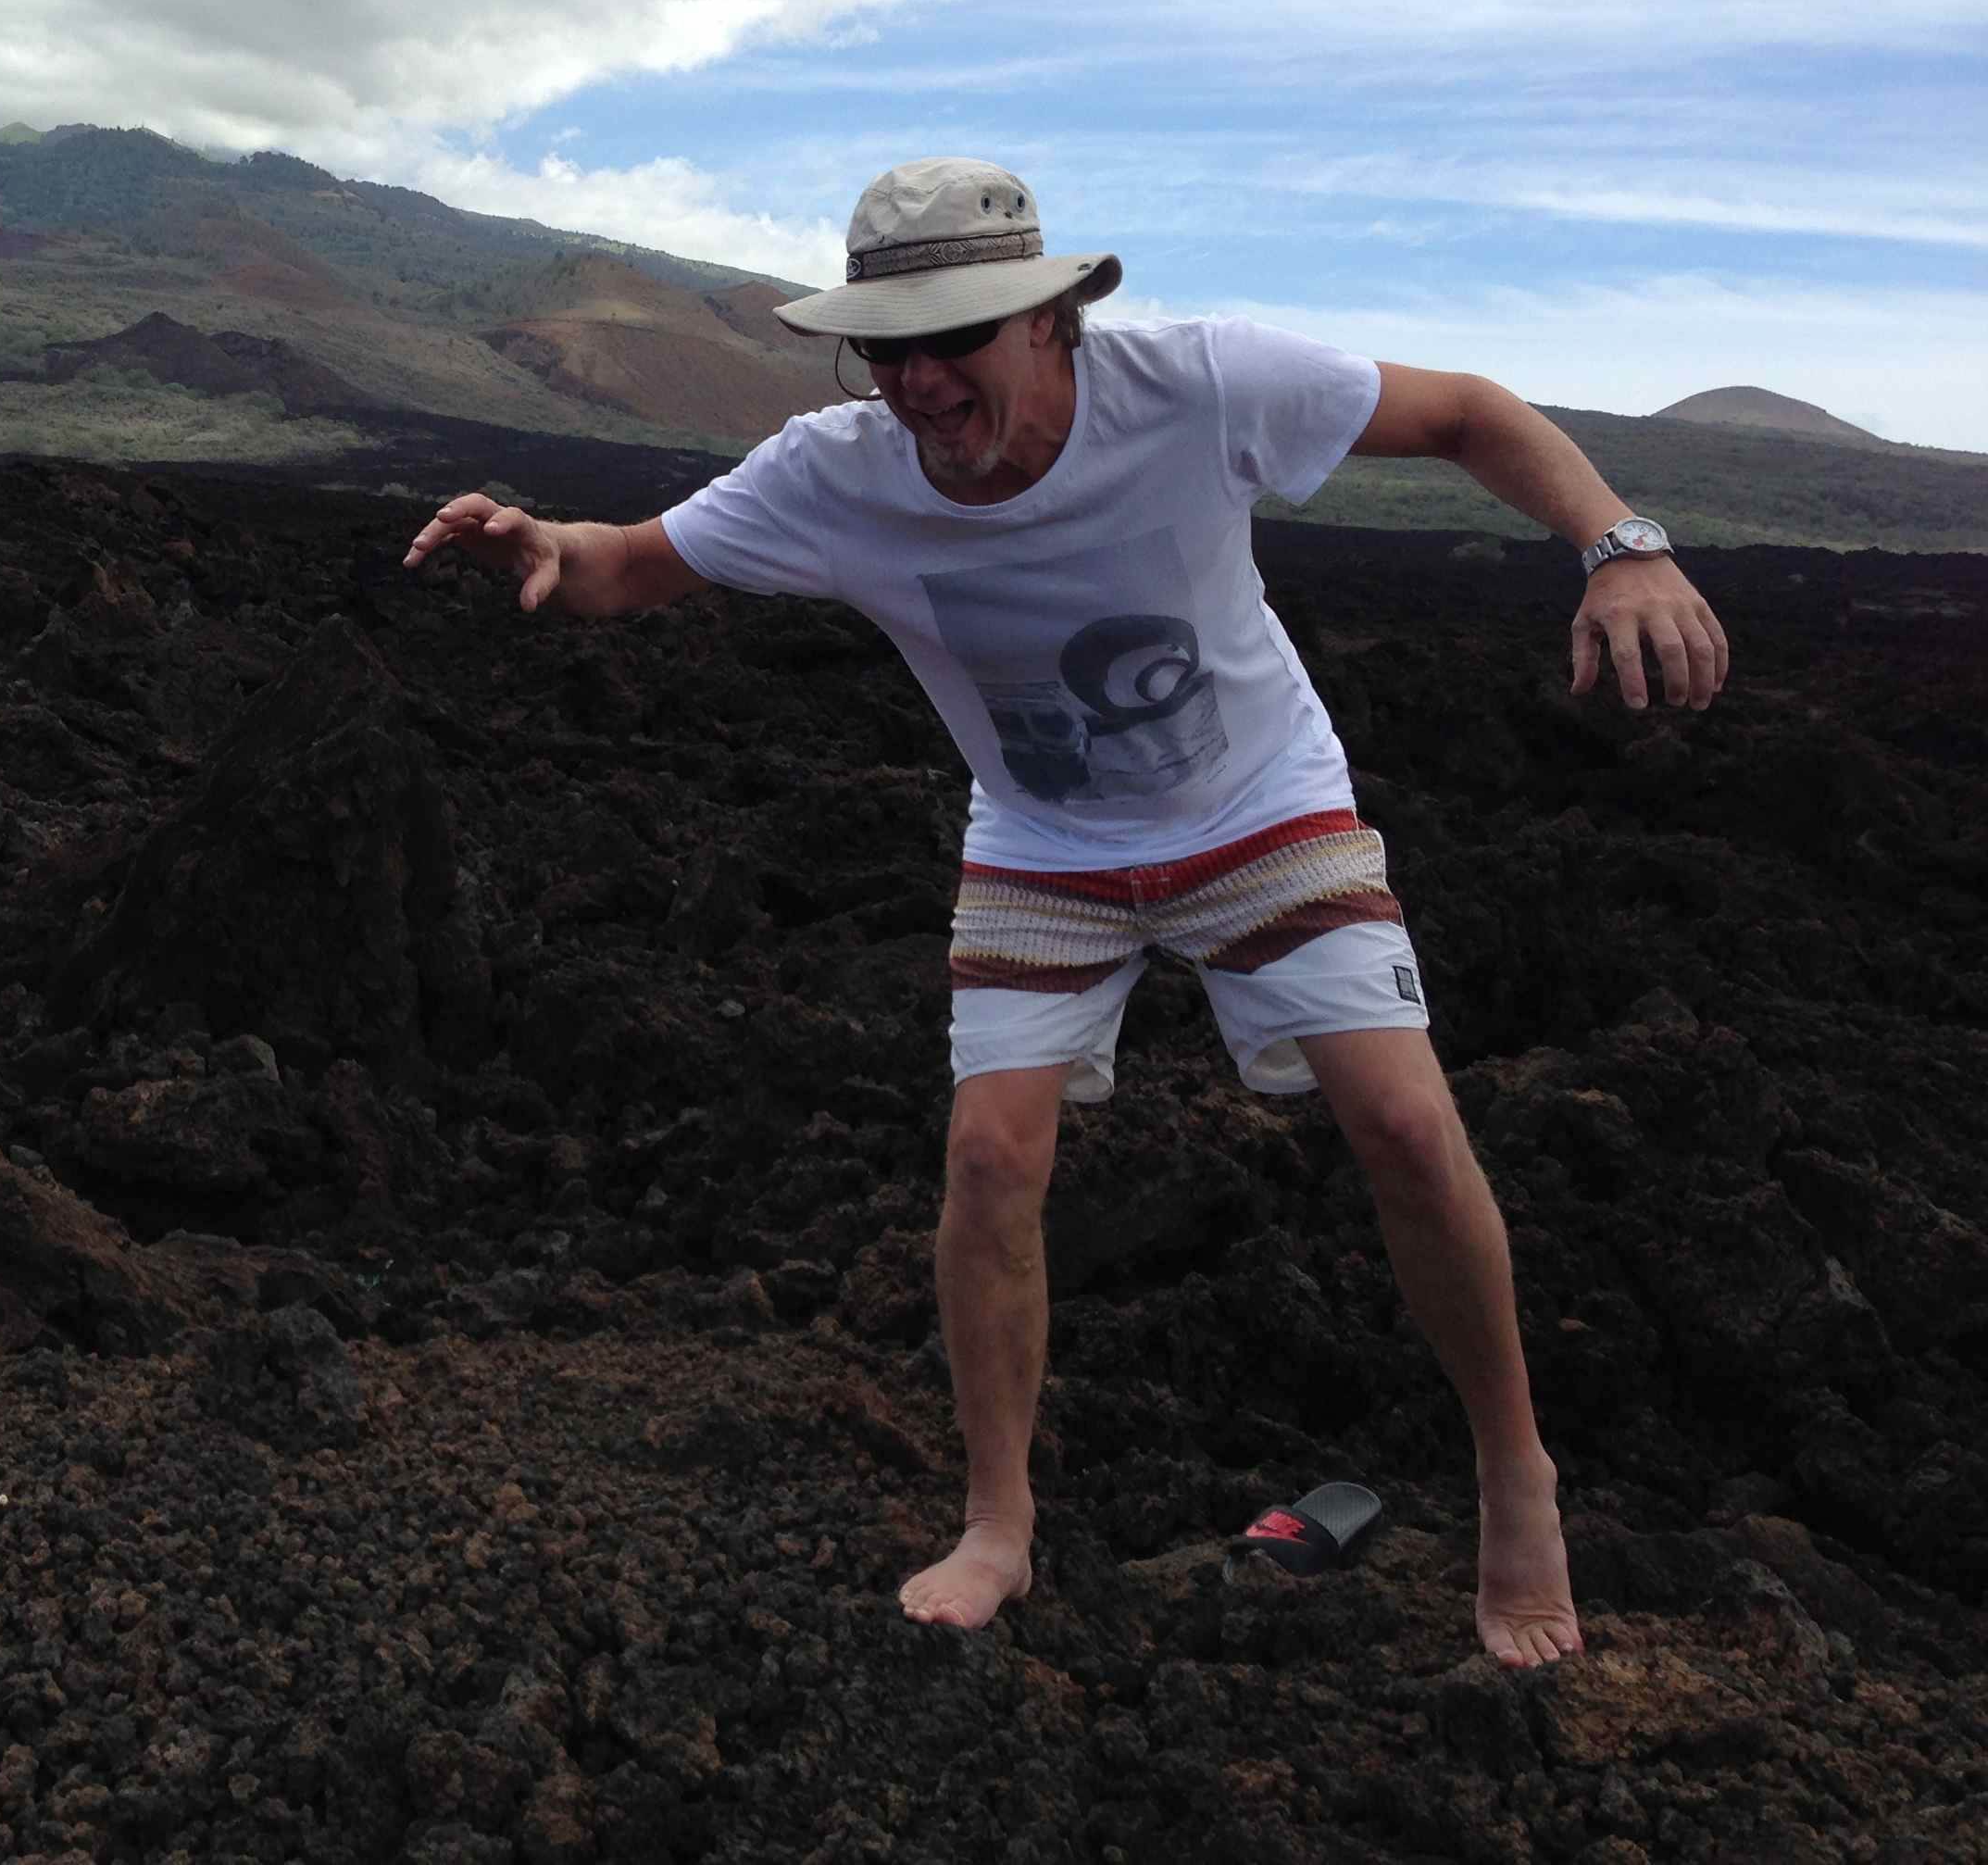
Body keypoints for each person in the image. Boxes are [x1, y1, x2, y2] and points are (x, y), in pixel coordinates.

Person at [404, 157, 1729, 1671]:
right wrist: (545, 548)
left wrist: (1622, 548)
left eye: (951, 339)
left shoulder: (1201, 388)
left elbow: (1471, 413)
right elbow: (631, 566)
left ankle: (1514, 1475)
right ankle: (998, 1521)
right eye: (884, 348)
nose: (916, 382)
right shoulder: (835, 472)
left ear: (1050, 319)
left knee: (1409, 1126)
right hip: (1045, 844)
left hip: (1259, 810)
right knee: (989, 1155)